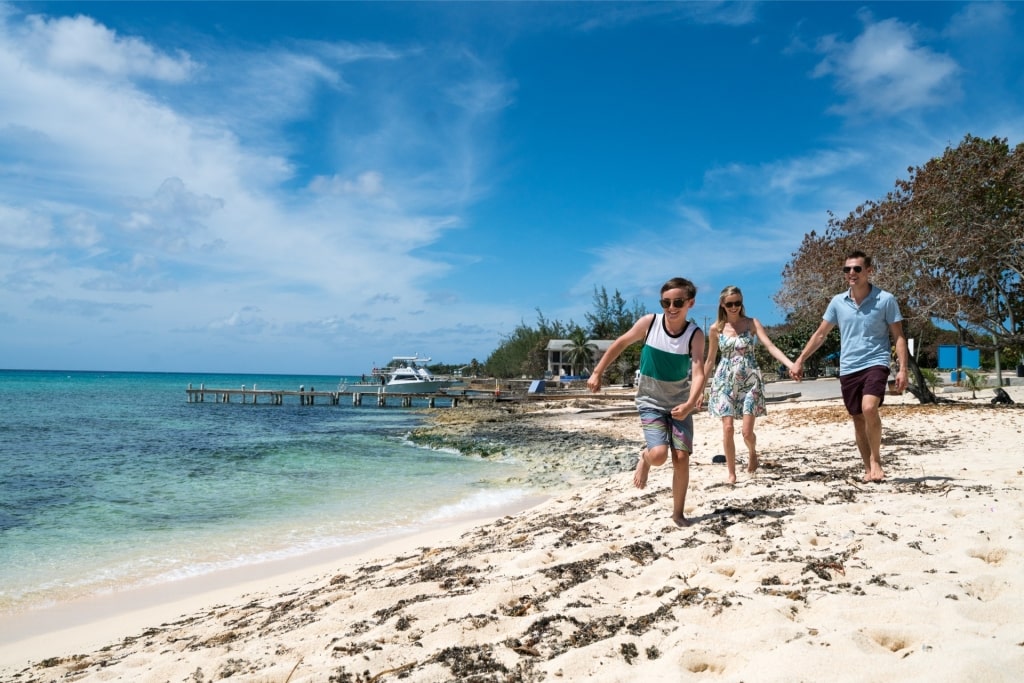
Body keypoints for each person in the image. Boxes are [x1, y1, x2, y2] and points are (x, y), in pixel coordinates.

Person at [588, 277, 706, 527]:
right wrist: (598, 372)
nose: (671, 308)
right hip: (650, 400)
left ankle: (678, 513)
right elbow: (620, 343)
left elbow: (698, 372)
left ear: (690, 303)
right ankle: (645, 457)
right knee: (659, 455)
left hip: (680, 404)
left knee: (682, 458)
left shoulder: (695, 335)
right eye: (666, 302)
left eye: (678, 302)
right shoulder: (649, 323)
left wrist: (690, 403)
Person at [791, 250, 909, 482]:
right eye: (847, 269)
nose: (851, 273)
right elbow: (821, 334)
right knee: (857, 417)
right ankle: (868, 469)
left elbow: (898, 336)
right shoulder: (837, 302)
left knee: (868, 408)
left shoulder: (885, 299)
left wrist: (902, 368)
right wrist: (800, 359)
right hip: (848, 367)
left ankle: (876, 461)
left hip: (876, 361)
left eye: (856, 268)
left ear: (869, 271)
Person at [703, 286, 796, 484]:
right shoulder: (715, 329)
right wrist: (697, 392)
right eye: (730, 304)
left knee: (746, 431)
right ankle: (731, 473)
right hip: (724, 381)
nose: (734, 307)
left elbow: (769, 346)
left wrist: (791, 364)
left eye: (738, 303)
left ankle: (753, 452)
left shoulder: (752, 323)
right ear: (722, 305)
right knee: (727, 428)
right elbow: (710, 361)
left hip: (750, 380)